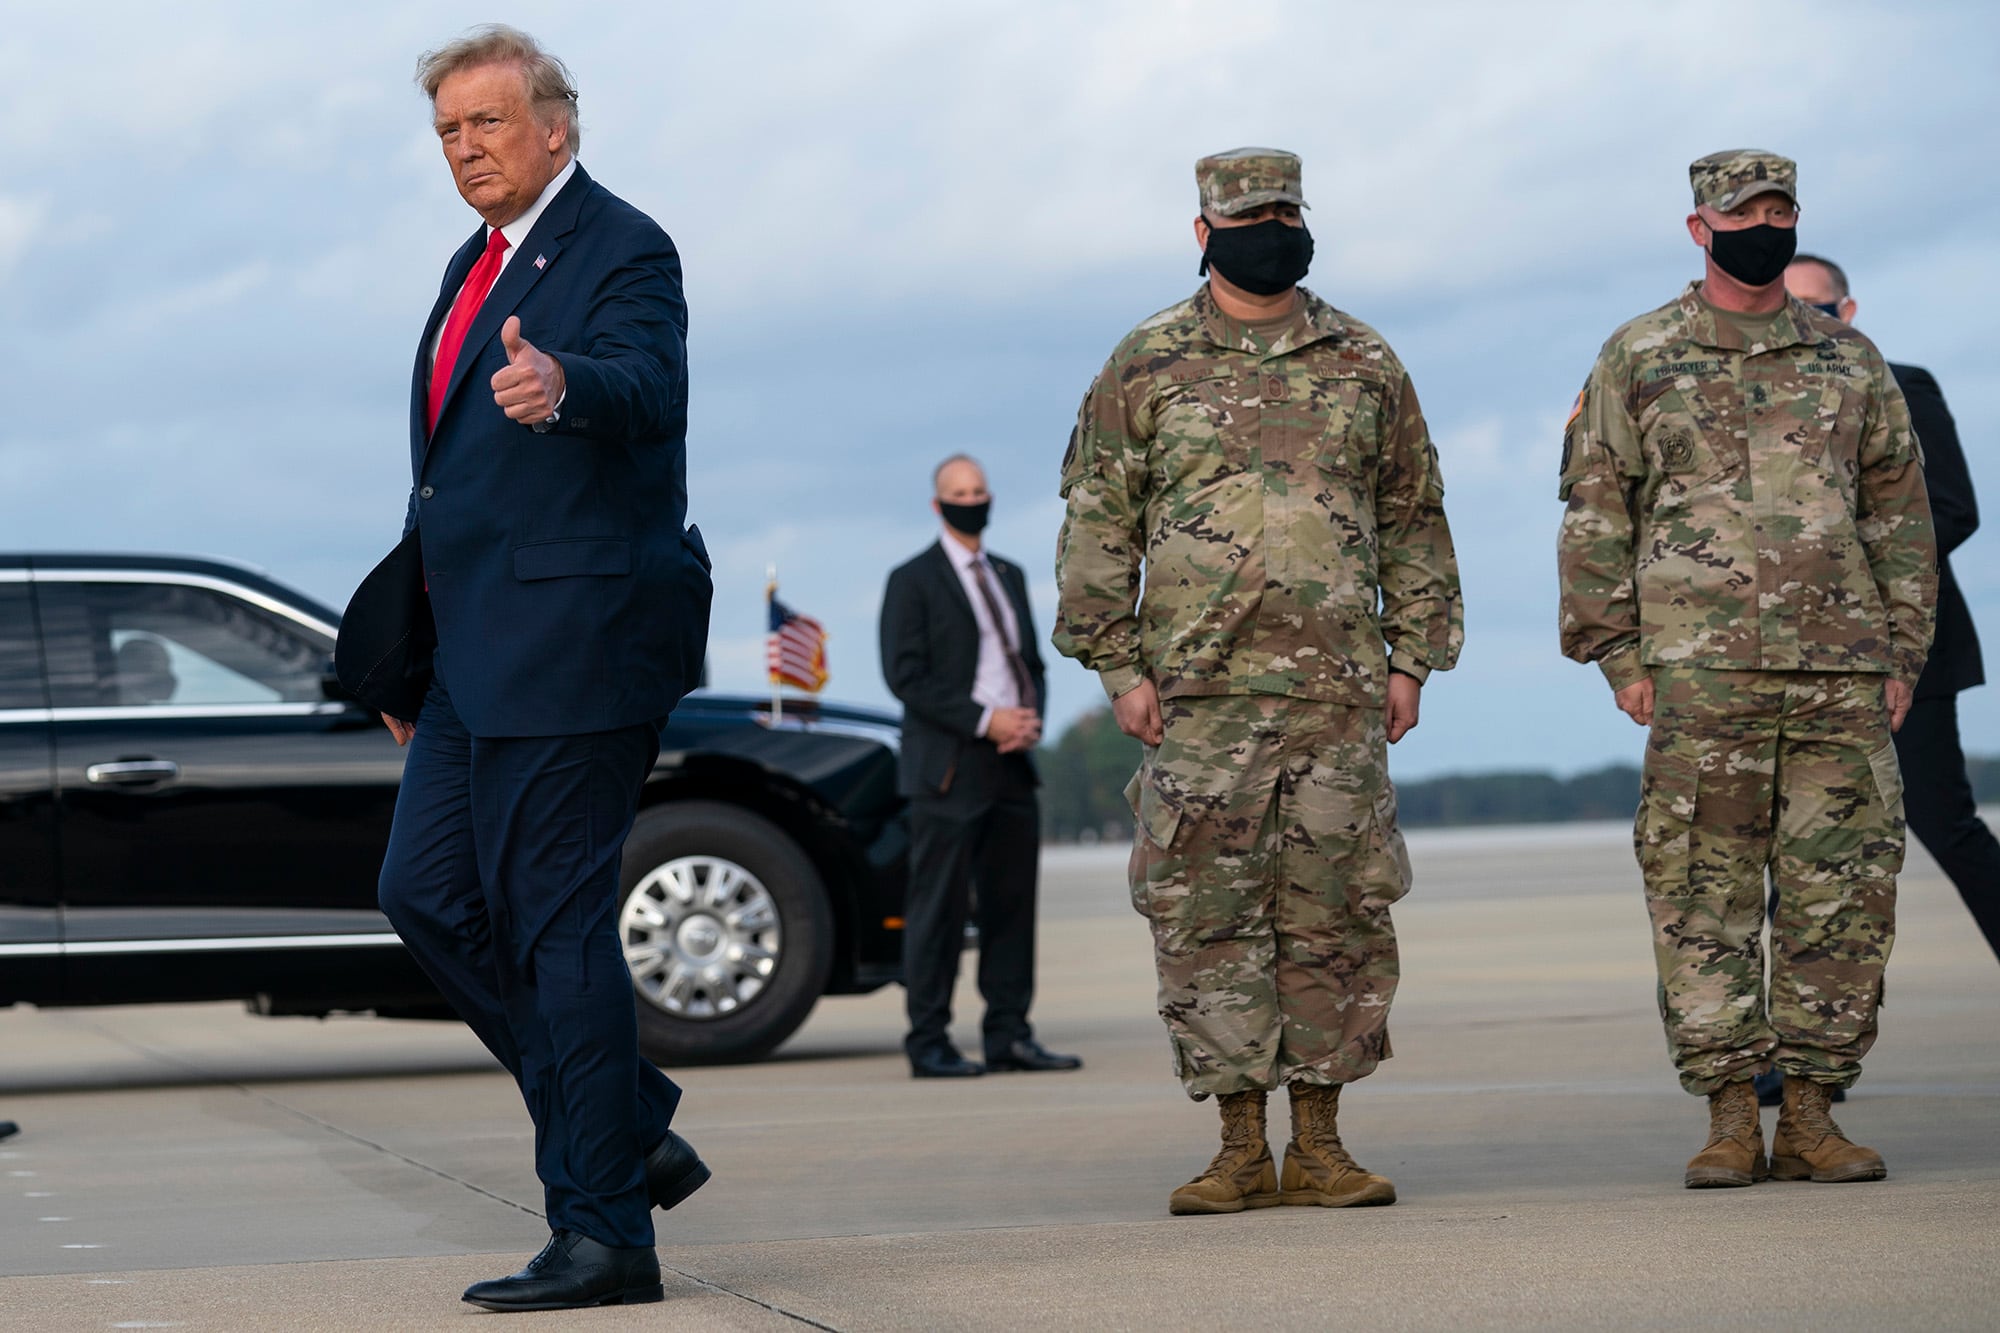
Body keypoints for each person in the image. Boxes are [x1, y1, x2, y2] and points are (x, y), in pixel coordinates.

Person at [363, 26, 713, 1311]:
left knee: (556, 930)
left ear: (556, 126)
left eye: (489, 123)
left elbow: (646, 378)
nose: (467, 149)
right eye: (449, 131)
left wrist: (564, 382)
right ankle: (626, 1120)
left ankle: (605, 1231)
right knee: (427, 893)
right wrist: (410, 648)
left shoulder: (623, 245)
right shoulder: (474, 262)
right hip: (470, 652)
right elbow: (449, 483)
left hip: (579, 640)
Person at [1054, 148, 1462, 1215]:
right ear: (1203, 231)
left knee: (1337, 916)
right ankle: (1238, 1145)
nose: (1267, 227)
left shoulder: (1363, 360)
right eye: (1245, 214)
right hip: (1196, 696)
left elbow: (1414, 519)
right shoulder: (1145, 362)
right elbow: (1099, 522)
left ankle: (1322, 1142)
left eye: (1283, 210)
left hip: (1337, 691)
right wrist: (1116, 664)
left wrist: (1411, 656)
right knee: (1205, 916)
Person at [1557, 151, 1936, 1190]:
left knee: (1841, 899)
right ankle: (1730, 1114)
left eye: (1778, 210)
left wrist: (1899, 654)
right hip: (1697, 679)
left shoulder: (1847, 361)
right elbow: (1595, 512)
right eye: (1741, 211)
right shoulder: (1637, 355)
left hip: (1837, 674)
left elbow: (1897, 518)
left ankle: (1812, 1114)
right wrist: (1617, 656)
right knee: (1699, 897)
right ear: (1698, 227)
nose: (1760, 225)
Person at [1785, 255, 1999, 962]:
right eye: (1790, 306)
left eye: (1818, 306)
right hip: (1790, 662)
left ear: (1848, 313)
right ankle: (1805, 1059)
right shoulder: (1754, 400)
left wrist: (1841, 570)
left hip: (1906, 649)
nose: (1805, 320)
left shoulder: (1904, 384)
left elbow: (1954, 510)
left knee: (1946, 824)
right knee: (1800, 851)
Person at [878, 456, 1081, 1079]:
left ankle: (1009, 1035)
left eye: (980, 490)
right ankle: (930, 1041)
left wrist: (1027, 719)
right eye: (960, 493)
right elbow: (905, 675)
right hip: (948, 767)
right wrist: (983, 719)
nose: (974, 500)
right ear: (939, 505)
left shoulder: (1010, 575)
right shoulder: (912, 579)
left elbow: (1033, 666)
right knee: (937, 910)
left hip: (1013, 766)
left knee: (1011, 908)